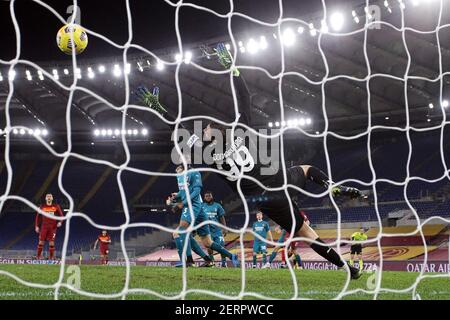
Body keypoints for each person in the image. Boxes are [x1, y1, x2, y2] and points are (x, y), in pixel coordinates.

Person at [136, 43, 365, 279]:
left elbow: (179, 130)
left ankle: (349, 269)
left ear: (211, 134)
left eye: (205, 130)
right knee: (307, 170)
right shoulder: (239, 131)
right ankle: (332, 187)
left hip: (265, 198)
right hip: (277, 177)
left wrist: (158, 108)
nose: (203, 130)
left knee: (306, 233)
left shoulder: (206, 155)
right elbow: (244, 97)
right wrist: (232, 68)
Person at [167, 162, 239, 267]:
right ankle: (228, 257)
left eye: (178, 170)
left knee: (179, 232)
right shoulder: (182, 177)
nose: (177, 173)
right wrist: (176, 197)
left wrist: (182, 203)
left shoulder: (194, 173)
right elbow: (183, 192)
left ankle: (188, 261)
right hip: (198, 208)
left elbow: (196, 192)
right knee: (208, 243)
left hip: (193, 206)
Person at [35, 193, 64, 260]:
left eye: (50, 196)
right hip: (44, 227)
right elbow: (37, 217)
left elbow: (62, 216)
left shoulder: (56, 206)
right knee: (41, 241)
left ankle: (51, 257)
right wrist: (36, 226)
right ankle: (38, 256)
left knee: (51, 242)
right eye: (47, 196)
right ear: (45, 198)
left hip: (52, 228)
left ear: (52, 198)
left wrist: (60, 222)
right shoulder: (42, 207)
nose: (49, 197)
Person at [203, 191, 228, 267]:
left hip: (217, 231)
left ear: (212, 196)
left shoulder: (217, 206)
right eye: (206, 196)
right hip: (207, 231)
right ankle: (212, 263)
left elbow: (222, 217)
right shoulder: (202, 206)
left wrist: (225, 228)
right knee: (209, 248)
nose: (208, 197)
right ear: (204, 198)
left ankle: (224, 264)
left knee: (221, 247)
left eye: (209, 196)